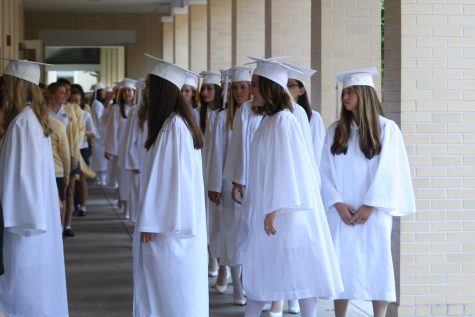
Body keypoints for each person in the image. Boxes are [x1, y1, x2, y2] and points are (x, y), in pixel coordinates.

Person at [241, 57, 343, 317]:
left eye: (254, 84)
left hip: (284, 214)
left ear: (268, 88)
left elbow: (289, 168)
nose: (250, 89)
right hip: (272, 209)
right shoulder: (269, 121)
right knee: (269, 271)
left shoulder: (284, 122)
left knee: (297, 272)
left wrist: (274, 209)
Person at [320, 67, 416, 317]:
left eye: (352, 91)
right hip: (341, 213)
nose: (346, 96)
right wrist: (337, 204)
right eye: (344, 91)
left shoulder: (386, 129)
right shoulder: (335, 131)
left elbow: (390, 171)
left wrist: (370, 205)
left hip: (373, 214)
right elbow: (325, 171)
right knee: (342, 266)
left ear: (366, 94)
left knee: (376, 263)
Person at [133, 54, 208, 316]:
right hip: (172, 225)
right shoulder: (176, 123)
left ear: (161, 90)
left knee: (169, 292)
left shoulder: (172, 128)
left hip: (168, 229)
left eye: (149, 85)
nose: (146, 91)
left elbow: (170, 181)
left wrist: (151, 221)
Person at [0, 58, 68, 316]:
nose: (4, 90)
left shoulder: (23, 123)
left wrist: (15, 219)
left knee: (22, 284)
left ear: (17, 86)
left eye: (7, 84)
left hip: (23, 221)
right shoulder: (30, 120)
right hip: (29, 216)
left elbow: (24, 179)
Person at [207, 65, 252, 305]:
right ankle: (237, 285)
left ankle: (248, 282)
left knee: (250, 235)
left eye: (243, 87)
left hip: (253, 185)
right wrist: (214, 184)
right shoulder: (223, 117)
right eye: (234, 88)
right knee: (232, 235)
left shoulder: (258, 115)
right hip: (228, 184)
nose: (238, 92)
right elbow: (215, 153)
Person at [104, 78, 136, 219]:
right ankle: (126, 206)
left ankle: (131, 206)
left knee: (134, 180)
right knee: (123, 180)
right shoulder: (117, 109)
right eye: (125, 91)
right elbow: (112, 130)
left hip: (134, 151)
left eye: (130, 91)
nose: (128, 93)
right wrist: (111, 149)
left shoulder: (138, 109)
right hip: (121, 150)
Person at [284, 63, 325, 167]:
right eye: (283, 85)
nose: (285, 89)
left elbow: (317, 152)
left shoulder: (314, 118)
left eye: (290, 85)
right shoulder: (278, 115)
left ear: (301, 91)